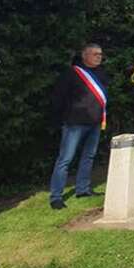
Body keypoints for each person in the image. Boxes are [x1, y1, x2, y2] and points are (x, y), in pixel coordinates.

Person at [49, 44, 109, 209]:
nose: (99, 57)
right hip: (74, 122)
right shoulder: (72, 73)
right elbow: (59, 97)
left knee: (88, 156)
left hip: (95, 122)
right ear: (85, 55)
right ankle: (56, 196)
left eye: (100, 54)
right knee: (65, 159)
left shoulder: (101, 73)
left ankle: (83, 189)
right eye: (95, 54)